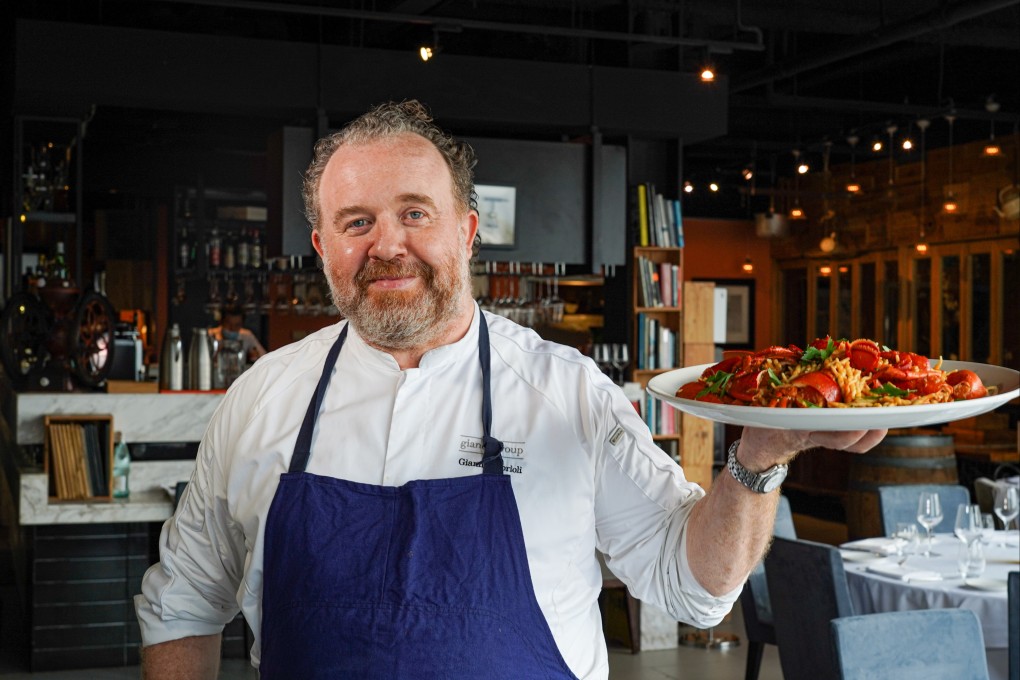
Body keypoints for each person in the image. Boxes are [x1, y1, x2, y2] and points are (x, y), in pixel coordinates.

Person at [135, 100, 886, 679]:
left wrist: (758, 457)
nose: (387, 244)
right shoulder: (262, 398)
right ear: (323, 245)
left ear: (467, 232)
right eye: (356, 221)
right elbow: (185, 604)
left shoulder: (566, 392)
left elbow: (694, 587)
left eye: (414, 214)